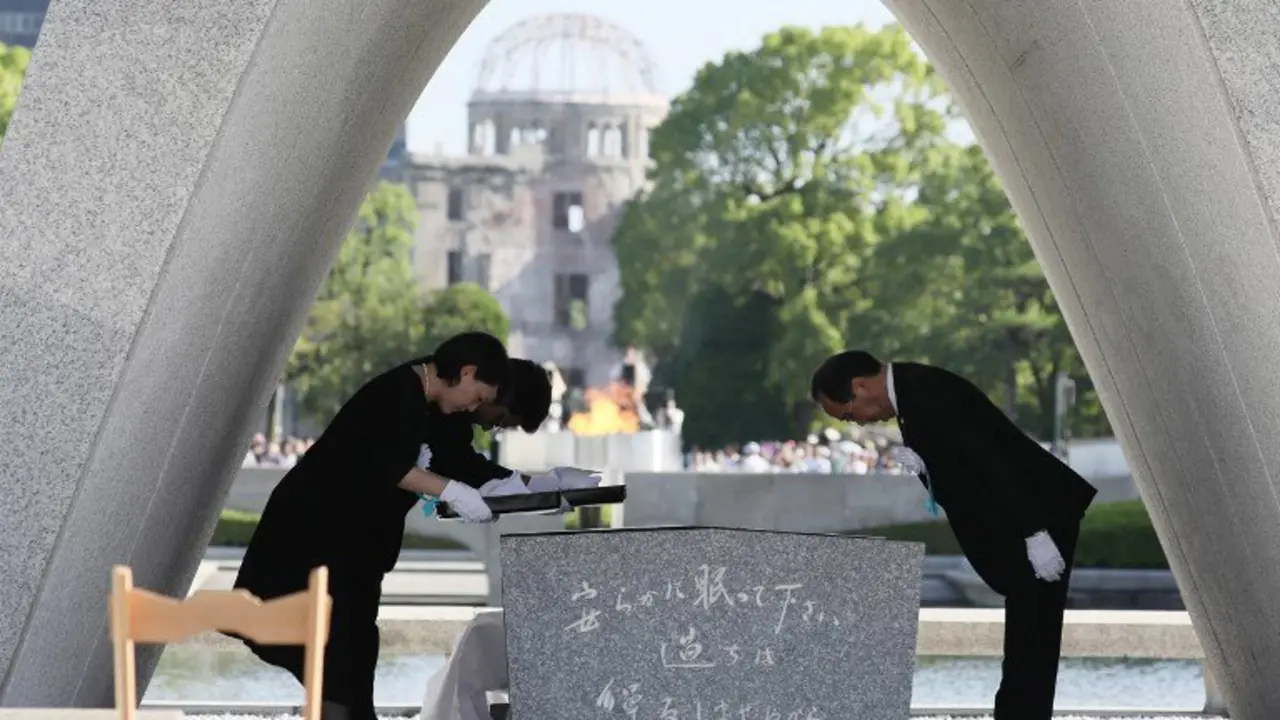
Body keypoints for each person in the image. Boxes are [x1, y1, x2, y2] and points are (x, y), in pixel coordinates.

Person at [232, 332, 512, 720]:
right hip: (311, 540)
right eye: (478, 396)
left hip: (348, 552)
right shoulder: (396, 394)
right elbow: (391, 465)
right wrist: (455, 492)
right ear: (466, 372)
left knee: (351, 656)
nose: (473, 407)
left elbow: (440, 460)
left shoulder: (420, 400)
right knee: (336, 656)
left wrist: (498, 486)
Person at [809, 351, 1097, 720]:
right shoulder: (911, 396)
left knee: (1034, 635)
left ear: (860, 386)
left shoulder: (926, 392)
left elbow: (995, 461)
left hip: (1037, 515)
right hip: (1026, 518)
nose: (860, 424)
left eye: (850, 414)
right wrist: (926, 470)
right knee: (1029, 636)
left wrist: (1035, 533)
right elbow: (963, 470)